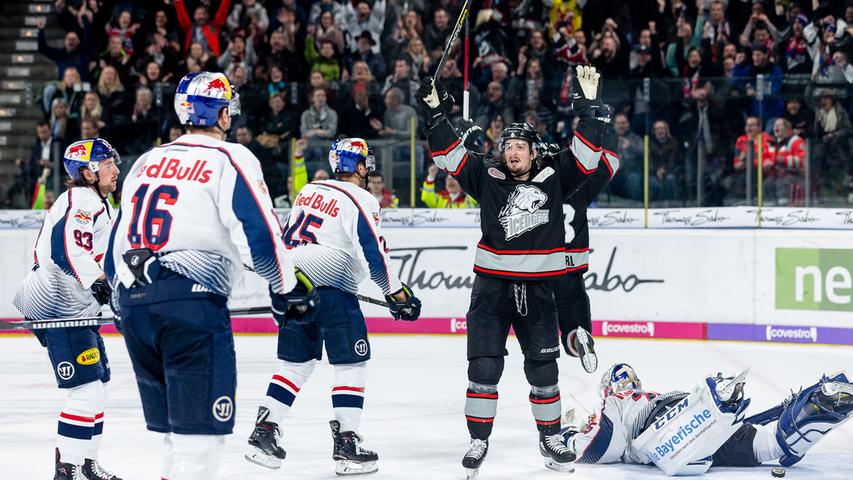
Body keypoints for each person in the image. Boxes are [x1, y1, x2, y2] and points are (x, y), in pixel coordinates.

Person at [106, 71, 315, 480]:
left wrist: (120, 300)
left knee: (173, 436)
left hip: (135, 303)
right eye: (227, 109)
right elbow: (259, 231)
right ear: (220, 115)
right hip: (190, 307)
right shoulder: (231, 157)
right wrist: (286, 290)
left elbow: (117, 236)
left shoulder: (147, 161)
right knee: (201, 441)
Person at [417, 65, 612, 476]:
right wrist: (436, 116)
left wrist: (590, 110)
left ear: (534, 151)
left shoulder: (556, 174)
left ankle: (551, 437)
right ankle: (478, 439)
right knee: (484, 367)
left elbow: (589, 156)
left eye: (520, 146)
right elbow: (448, 155)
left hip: (539, 291)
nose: (512, 152)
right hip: (490, 291)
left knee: (543, 369)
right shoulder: (486, 174)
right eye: (508, 145)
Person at [245, 138, 421, 475]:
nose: (368, 167)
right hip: (332, 289)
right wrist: (397, 296)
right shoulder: (362, 197)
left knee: (295, 365)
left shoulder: (309, 190)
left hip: (292, 285)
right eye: (365, 162)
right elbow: (375, 254)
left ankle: (263, 433)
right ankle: (347, 444)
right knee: (352, 365)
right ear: (357, 166)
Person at [13, 138, 122, 480]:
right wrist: (102, 287)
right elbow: (67, 251)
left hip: (75, 306)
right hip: (59, 307)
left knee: (98, 385)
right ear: (88, 173)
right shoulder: (82, 201)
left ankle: (85, 464)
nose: (115, 169)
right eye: (107, 165)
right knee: (86, 390)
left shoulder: (94, 202)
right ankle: (67, 470)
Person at [562, 364, 853, 476]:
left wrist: (570, 438)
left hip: (668, 429)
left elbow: (607, 445)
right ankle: (823, 402)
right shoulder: (645, 395)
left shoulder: (616, 401)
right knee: (770, 446)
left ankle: (720, 404)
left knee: (760, 447)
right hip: (691, 417)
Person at [547, 122, 620, 376]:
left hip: (540, 269)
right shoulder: (580, 187)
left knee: (539, 332)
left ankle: (543, 354)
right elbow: (611, 162)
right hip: (571, 270)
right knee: (574, 320)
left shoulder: (536, 188)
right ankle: (578, 339)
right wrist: (606, 129)